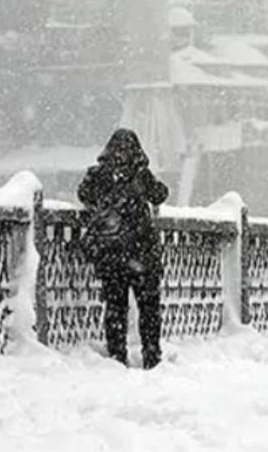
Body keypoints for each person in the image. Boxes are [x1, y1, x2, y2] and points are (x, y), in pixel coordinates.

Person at [78, 128, 169, 369]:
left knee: (115, 308)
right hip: (142, 253)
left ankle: (117, 356)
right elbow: (160, 195)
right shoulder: (140, 175)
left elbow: (83, 194)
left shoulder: (98, 175)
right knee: (149, 308)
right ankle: (151, 354)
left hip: (112, 255)